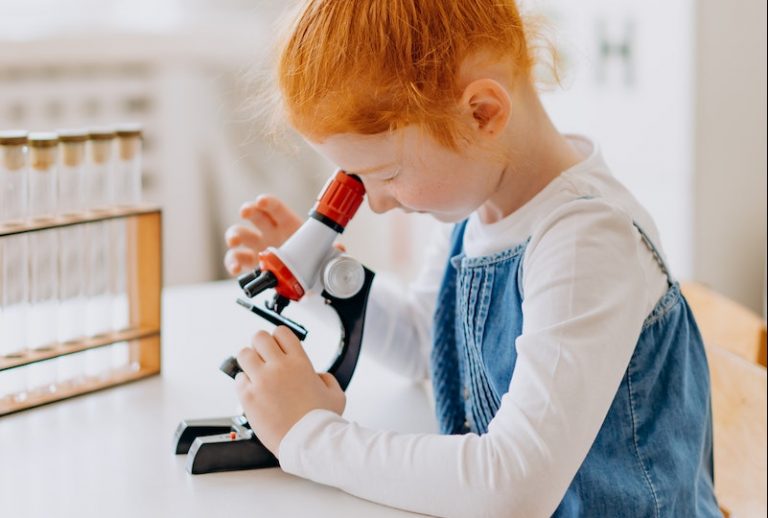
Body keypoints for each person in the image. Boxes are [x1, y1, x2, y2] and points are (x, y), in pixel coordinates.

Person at [223, 1, 721, 516]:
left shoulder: (585, 241)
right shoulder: (480, 204)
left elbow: (511, 487)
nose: (375, 202)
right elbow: (426, 342)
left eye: (386, 173)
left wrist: (310, 436)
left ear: (481, 113)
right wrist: (326, 274)